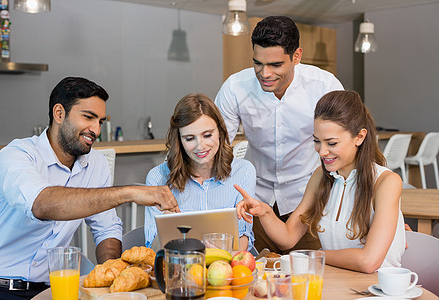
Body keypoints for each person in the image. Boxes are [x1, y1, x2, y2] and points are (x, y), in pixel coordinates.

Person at [0, 77, 179, 299]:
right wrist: (130, 193)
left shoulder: (95, 164)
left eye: (100, 121)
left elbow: (106, 230)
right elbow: (43, 204)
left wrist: (112, 275)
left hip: (56, 290)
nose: (95, 129)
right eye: (88, 117)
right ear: (59, 114)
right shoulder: (16, 155)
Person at [236, 90, 405, 273]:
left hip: (378, 290)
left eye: (331, 143)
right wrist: (265, 212)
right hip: (336, 284)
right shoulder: (322, 176)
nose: (322, 151)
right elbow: (288, 237)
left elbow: (368, 261)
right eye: (317, 141)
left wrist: (315, 255)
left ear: (360, 137)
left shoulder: (386, 182)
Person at [215, 15, 344, 254]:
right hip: (257, 201)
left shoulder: (324, 86)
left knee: (308, 279)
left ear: (296, 56)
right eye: (258, 63)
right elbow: (215, 148)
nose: (265, 74)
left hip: (309, 203)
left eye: (275, 65)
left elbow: (347, 151)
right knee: (256, 279)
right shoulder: (235, 87)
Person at [145, 94, 256, 251]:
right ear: (179, 140)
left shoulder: (243, 171)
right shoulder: (158, 178)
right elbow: (153, 249)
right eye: (190, 138)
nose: (200, 146)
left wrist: (223, 256)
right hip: (179, 270)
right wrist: (166, 222)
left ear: (220, 131)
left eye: (207, 135)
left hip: (228, 268)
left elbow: (243, 237)